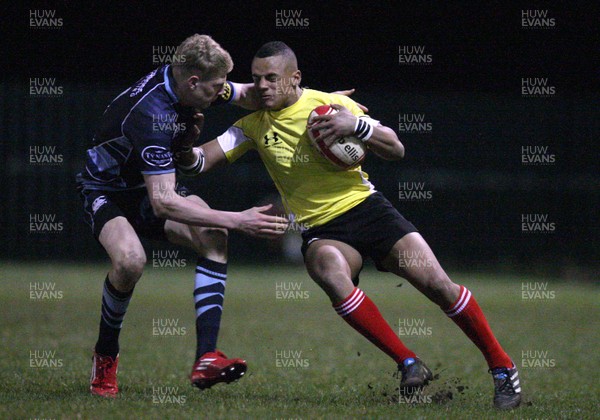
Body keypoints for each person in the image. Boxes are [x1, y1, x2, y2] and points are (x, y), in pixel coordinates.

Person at [176, 41, 522, 410]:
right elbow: (198, 163)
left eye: (272, 78)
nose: (262, 86)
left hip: (369, 211)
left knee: (439, 285)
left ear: (295, 78)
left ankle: (503, 370)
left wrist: (354, 123)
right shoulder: (252, 126)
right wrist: (184, 143)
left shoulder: (330, 105)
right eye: (257, 78)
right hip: (322, 229)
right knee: (327, 268)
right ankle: (408, 362)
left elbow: (395, 148)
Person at [76, 34, 290, 398]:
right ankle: (106, 356)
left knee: (211, 234)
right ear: (193, 83)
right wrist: (239, 219)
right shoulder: (151, 114)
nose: (221, 93)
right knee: (130, 261)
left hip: (146, 187)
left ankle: (206, 357)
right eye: (216, 88)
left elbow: (251, 95)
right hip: (108, 191)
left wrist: (324, 103)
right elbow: (164, 203)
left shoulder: (192, 80)